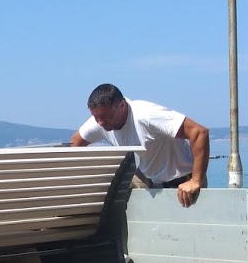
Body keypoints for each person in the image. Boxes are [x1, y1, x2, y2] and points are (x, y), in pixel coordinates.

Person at [70, 83, 209, 208]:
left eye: (105, 116)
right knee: (108, 186)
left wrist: (196, 181)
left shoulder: (147, 115)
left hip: (183, 180)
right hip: (149, 179)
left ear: (122, 105)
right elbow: (75, 143)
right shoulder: (99, 122)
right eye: (96, 117)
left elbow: (199, 132)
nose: (100, 122)